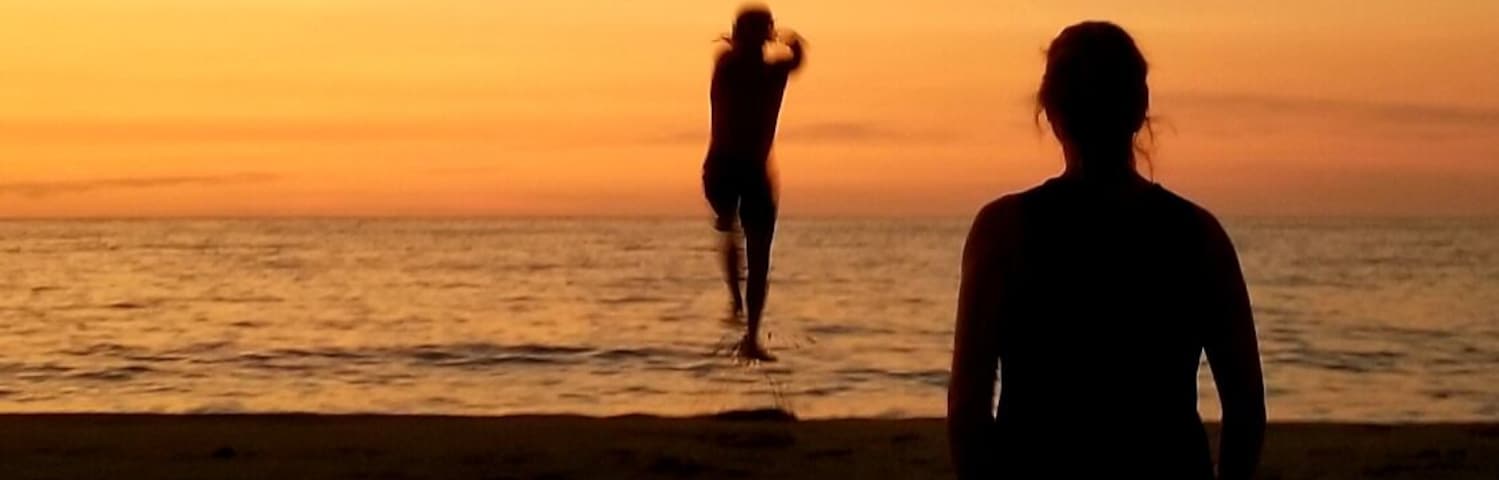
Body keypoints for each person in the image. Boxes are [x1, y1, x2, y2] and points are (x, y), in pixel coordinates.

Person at [947, 22, 1265, 479]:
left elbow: (968, 410)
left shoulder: (1003, 231)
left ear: (1051, 112)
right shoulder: (1197, 235)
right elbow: (1246, 408)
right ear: (1140, 109)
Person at [703, 4, 805, 362]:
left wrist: (794, 50)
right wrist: (794, 49)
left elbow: (793, 63)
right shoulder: (730, 67)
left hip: (749, 172)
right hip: (725, 167)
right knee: (732, 232)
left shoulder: (765, 72)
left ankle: (751, 334)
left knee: (758, 255)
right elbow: (791, 63)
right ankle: (735, 300)